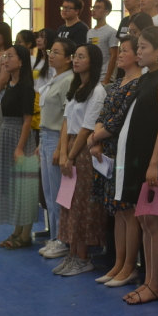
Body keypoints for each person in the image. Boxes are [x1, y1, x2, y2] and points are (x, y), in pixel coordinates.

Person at [117, 27, 158, 305]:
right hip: (139, 157)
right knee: (143, 220)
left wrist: (154, 163)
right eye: (138, 47)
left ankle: (156, 284)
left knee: (154, 221)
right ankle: (148, 281)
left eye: (143, 47)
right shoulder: (146, 77)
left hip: (155, 159)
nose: (139, 51)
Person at [87, 35, 142, 285]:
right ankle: (118, 263)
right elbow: (103, 115)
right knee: (117, 211)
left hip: (124, 150)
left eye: (125, 51)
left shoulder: (138, 84)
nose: (119, 55)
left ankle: (130, 266)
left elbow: (118, 120)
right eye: (119, 50)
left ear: (138, 55)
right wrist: (96, 140)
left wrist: (94, 137)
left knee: (128, 211)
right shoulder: (118, 83)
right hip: (106, 150)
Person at [53, 44, 108, 276]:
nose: (75, 60)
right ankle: (72, 253)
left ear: (92, 62)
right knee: (69, 203)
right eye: (75, 56)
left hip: (84, 151)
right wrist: (63, 154)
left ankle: (84, 258)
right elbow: (66, 121)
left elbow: (87, 128)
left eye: (81, 57)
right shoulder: (77, 88)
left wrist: (71, 156)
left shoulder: (97, 91)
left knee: (82, 205)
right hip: (71, 149)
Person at [0, 45, 38, 248]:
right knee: (14, 187)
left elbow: (27, 120)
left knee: (24, 187)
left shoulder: (26, 86)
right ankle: (17, 231)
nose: (5, 60)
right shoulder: (10, 84)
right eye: (5, 56)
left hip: (21, 137)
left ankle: (25, 235)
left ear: (21, 62)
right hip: (7, 135)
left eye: (10, 56)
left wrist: (19, 148)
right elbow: (6, 117)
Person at [37, 38, 76, 260]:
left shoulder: (68, 81)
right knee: (49, 193)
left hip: (55, 138)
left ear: (68, 59)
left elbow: (66, 118)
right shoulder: (55, 79)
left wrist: (60, 148)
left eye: (57, 52)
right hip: (45, 137)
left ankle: (63, 239)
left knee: (58, 193)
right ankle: (54, 236)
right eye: (51, 51)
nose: (51, 55)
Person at [87, 0, 118, 84]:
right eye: (93, 7)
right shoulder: (89, 32)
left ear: (106, 12)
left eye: (98, 8)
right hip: (91, 75)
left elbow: (114, 56)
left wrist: (107, 78)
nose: (94, 10)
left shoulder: (111, 32)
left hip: (104, 76)